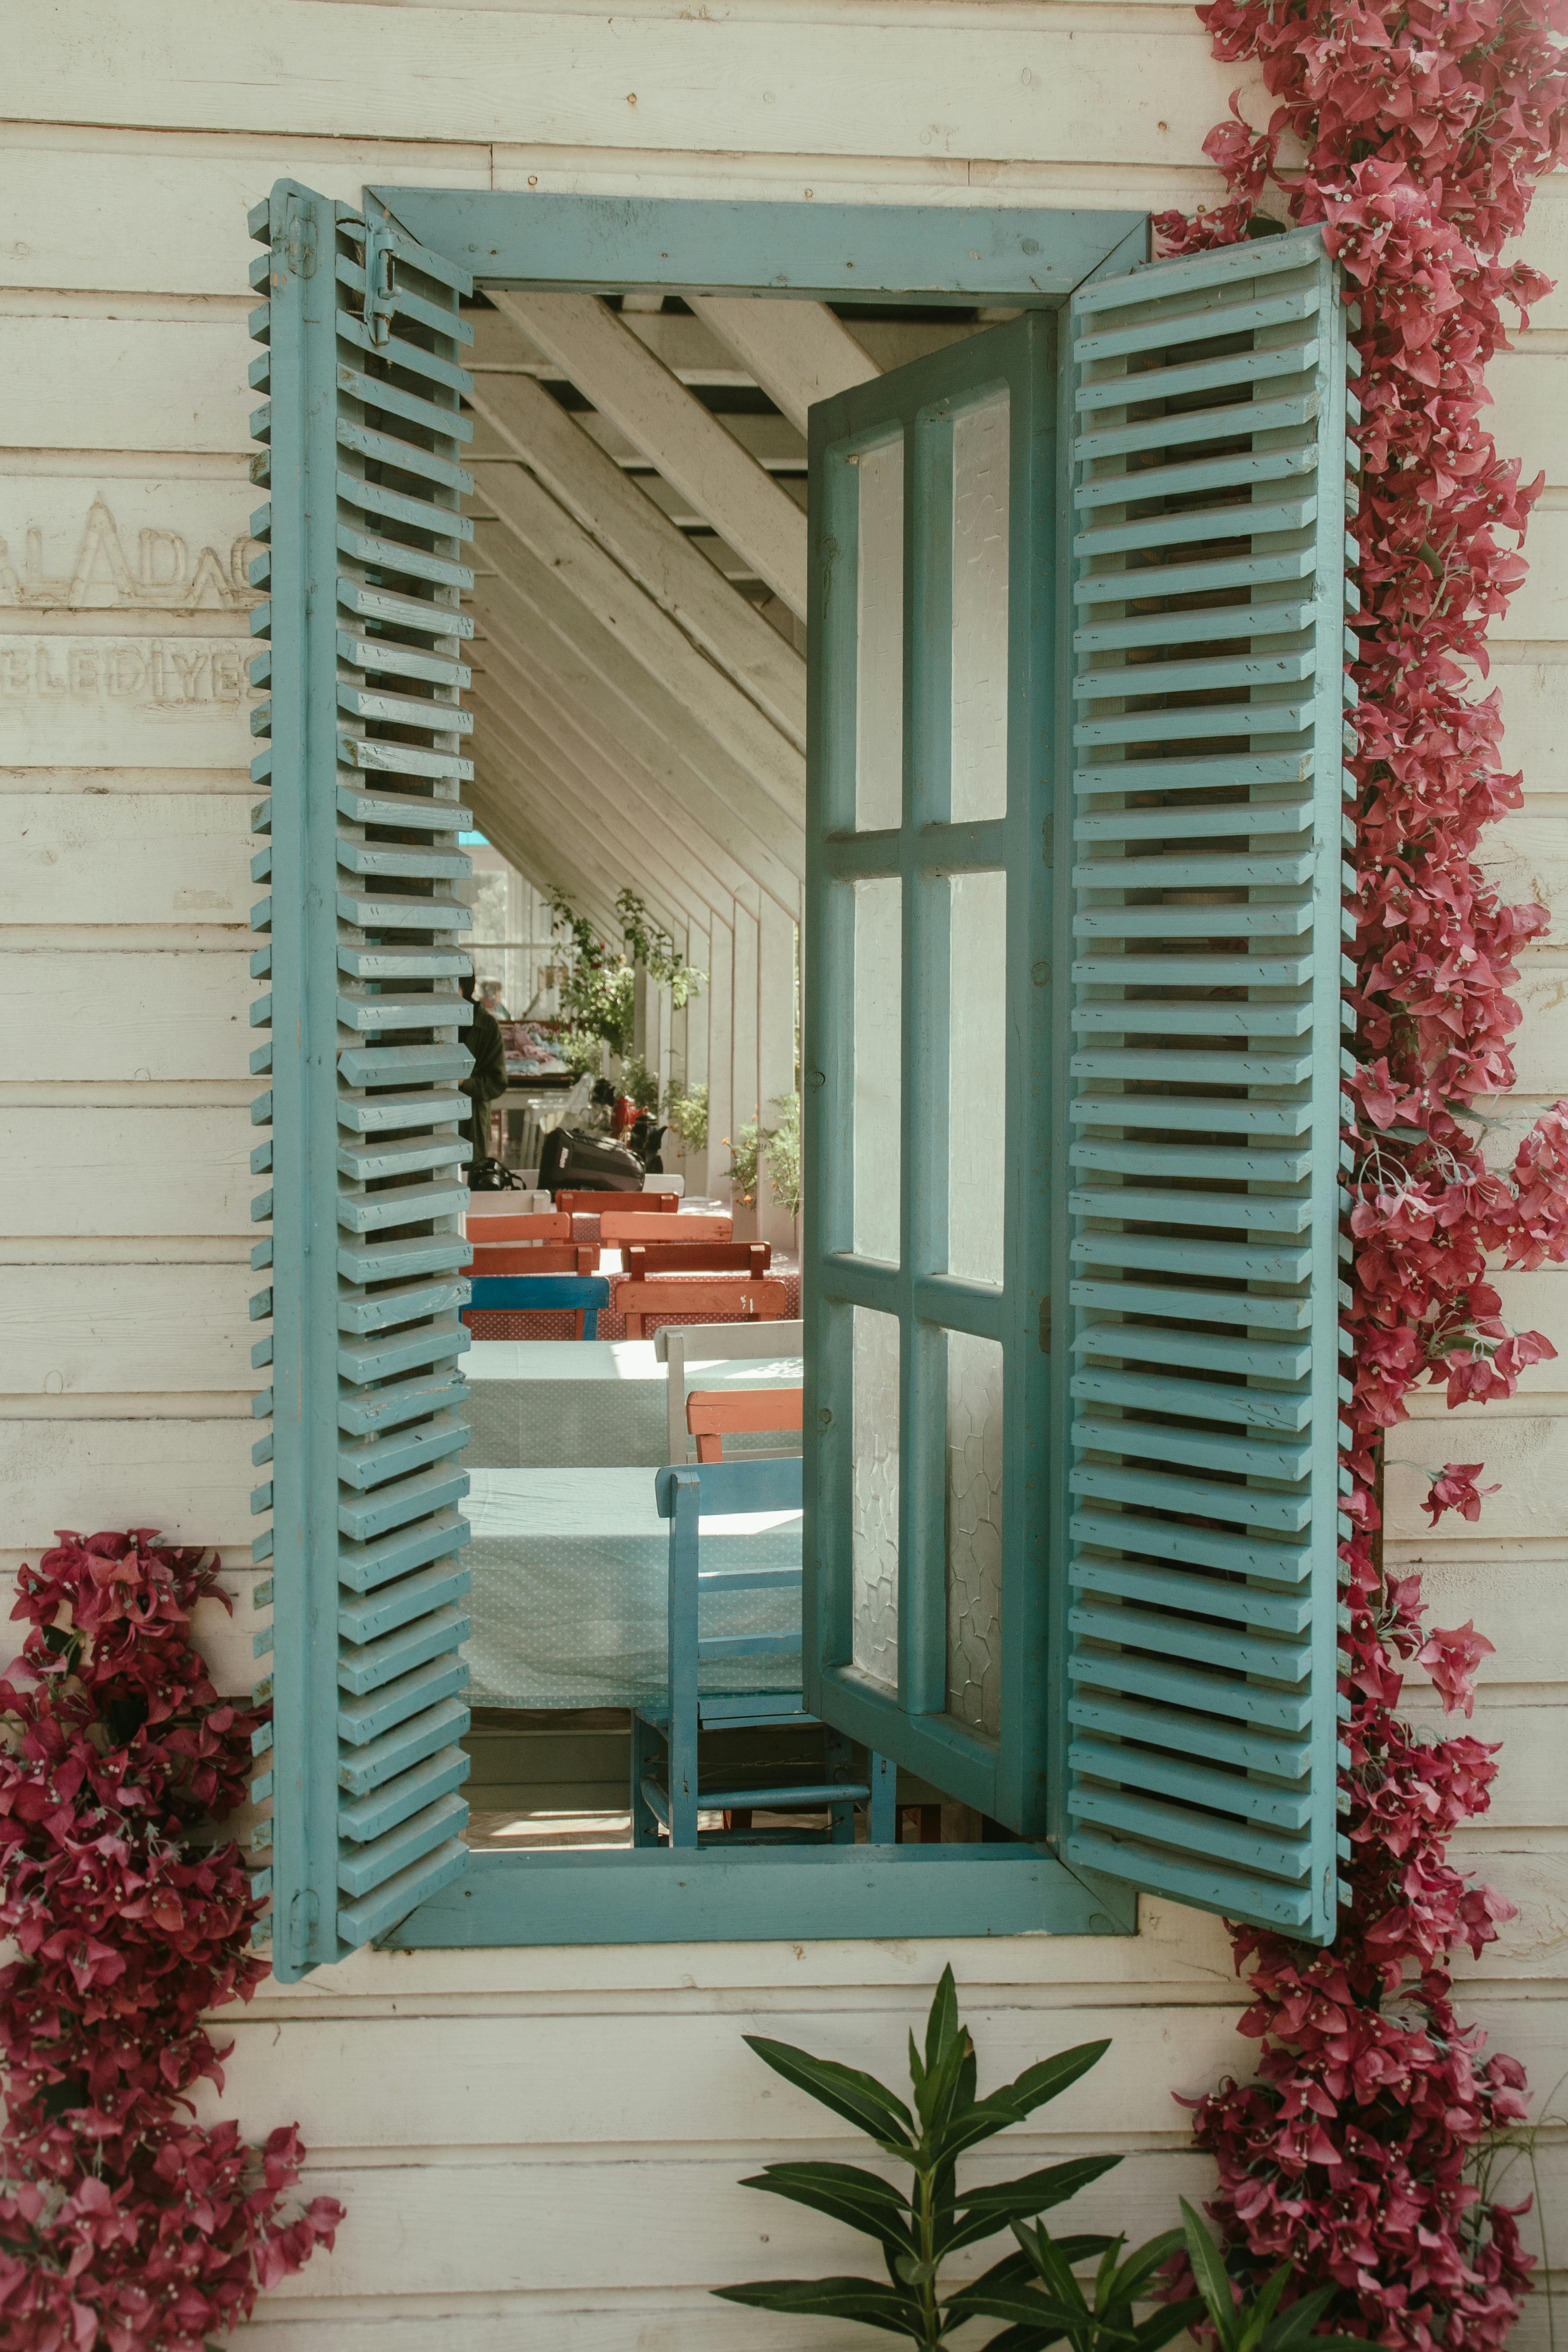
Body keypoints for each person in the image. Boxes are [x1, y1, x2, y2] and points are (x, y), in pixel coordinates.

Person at [458, 971, 508, 1163]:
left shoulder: (486, 1026)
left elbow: (497, 1081)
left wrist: (464, 1082)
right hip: (430, 1116)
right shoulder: (431, 1019)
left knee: (468, 1177)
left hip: (470, 1122)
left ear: (466, 986)